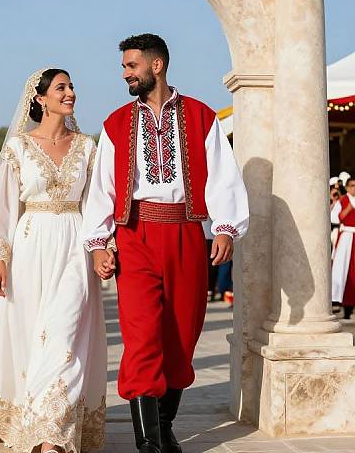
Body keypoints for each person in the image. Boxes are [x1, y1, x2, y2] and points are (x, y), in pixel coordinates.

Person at [83, 34, 249, 453]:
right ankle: (150, 445)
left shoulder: (201, 116)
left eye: (131, 66)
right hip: (135, 233)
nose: (125, 73)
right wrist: (100, 242)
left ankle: (163, 424)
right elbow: (102, 186)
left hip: (186, 232)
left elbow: (223, 176)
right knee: (141, 337)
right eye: (124, 67)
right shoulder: (115, 123)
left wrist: (226, 227)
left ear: (156, 65)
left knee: (181, 335)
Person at [0, 68, 106, 453]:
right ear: (41, 98)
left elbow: (96, 203)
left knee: (66, 335)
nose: (71, 92)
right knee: (32, 335)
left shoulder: (87, 146)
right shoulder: (18, 148)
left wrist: (101, 246)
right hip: (29, 246)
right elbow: (3, 206)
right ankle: (33, 422)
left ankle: (52, 433)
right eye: (62, 87)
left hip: (75, 246)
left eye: (72, 86)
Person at [331, 177, 355, 319]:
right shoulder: (343, 201)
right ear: (346, 187)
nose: (354, 188)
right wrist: (348, 208)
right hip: (346, 237)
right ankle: (343, 303)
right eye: (352, 185)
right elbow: (336, 218)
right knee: (343, 268)